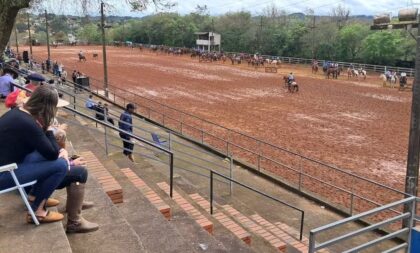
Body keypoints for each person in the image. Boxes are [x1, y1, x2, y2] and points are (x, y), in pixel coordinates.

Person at [0, 85, 68, 223]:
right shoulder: (29, 123)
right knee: (61, 165)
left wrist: (60, 150)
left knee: (42, 155)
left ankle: (34, 196)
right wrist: (49, 129)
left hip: (9, 164)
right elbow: (52, 154)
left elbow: (47, 149)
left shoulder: (18, 113)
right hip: (4, 174)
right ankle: (37, 212)